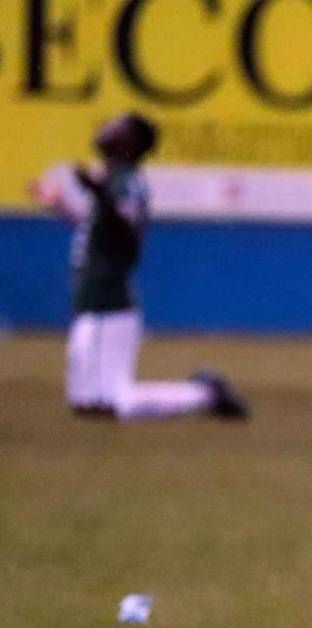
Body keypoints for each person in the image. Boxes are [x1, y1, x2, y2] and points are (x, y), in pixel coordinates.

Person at [28, 112, 247, 422]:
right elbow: (93, 227)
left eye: (116, 127)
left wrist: (99, 194)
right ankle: (205, 393)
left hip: (107, 298)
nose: (104, 128)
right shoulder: (112, 179)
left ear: (129, 144)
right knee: (87, 404)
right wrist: (59, 205)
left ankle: (204, 394)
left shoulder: (127, 183)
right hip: (93, 296)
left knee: (108, 404)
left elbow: (127, 235)